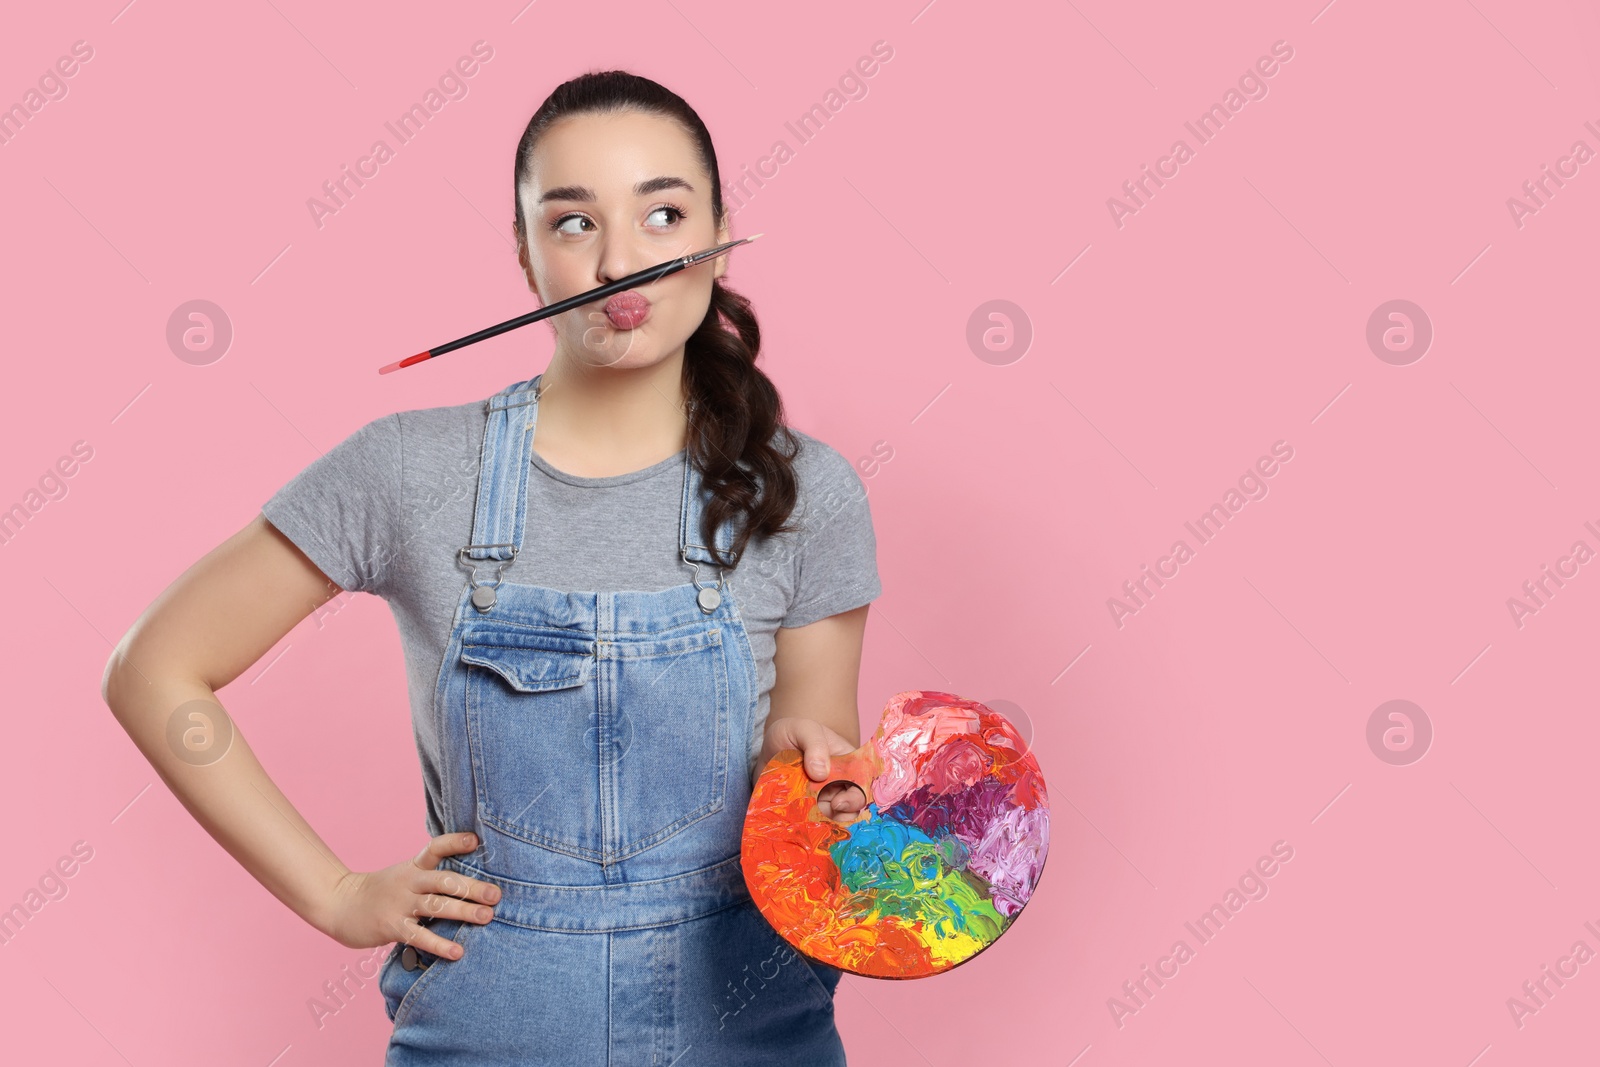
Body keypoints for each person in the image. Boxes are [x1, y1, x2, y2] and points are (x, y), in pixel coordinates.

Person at [101, 70, 882, 1064]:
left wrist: (823, 791)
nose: (620, 260)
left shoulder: (807, 490)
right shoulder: (407, 468)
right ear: (523, 252)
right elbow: (153, 668)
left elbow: (804, 762)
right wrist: (337, 893)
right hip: (491, 1027)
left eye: (662, 213)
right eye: (571, 224)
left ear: (721, 234)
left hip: (753, 1016)